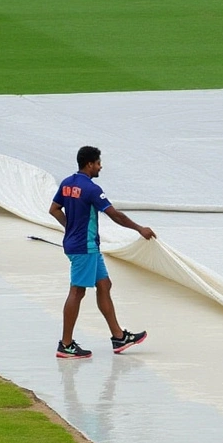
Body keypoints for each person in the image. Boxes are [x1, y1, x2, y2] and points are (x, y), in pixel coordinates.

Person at [48, 145, 154, 360]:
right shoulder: (92, 189)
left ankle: (118, 337)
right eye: (98, 163)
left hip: (84, 245)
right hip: (84, 248)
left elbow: (54, 209)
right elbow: (115, 215)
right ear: (89, 164)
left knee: (104, 284)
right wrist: (139, 229)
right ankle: (65, 344)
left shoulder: (67, 183)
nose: (100, 166)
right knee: (77, 292)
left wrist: (70, 227)